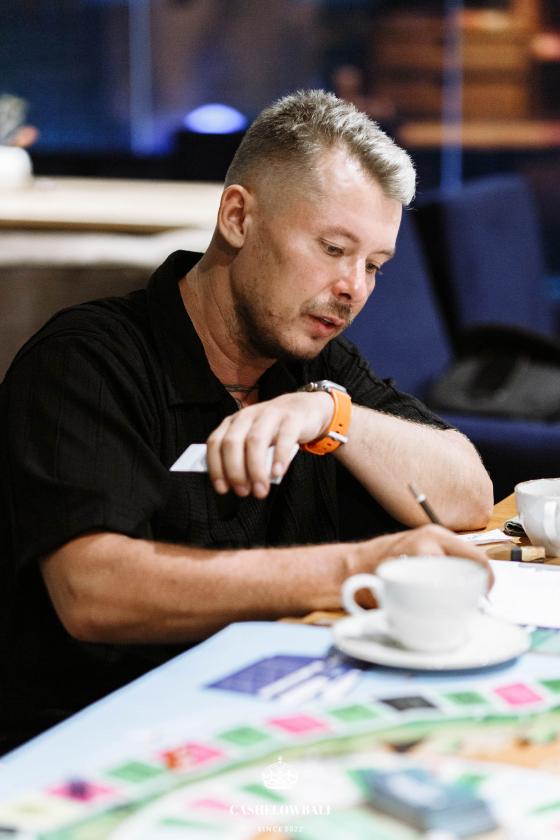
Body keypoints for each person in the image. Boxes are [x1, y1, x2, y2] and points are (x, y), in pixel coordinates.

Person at [0, 90, 493, 752]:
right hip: (97, 744)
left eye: (374, 265)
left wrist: (331, 413)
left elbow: (468, 495)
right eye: (333, 248)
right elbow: (94, 592)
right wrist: (359, 568)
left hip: (271, 721)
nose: (354, 288)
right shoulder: (86, 360)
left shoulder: (315, 363)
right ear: (237, 217)